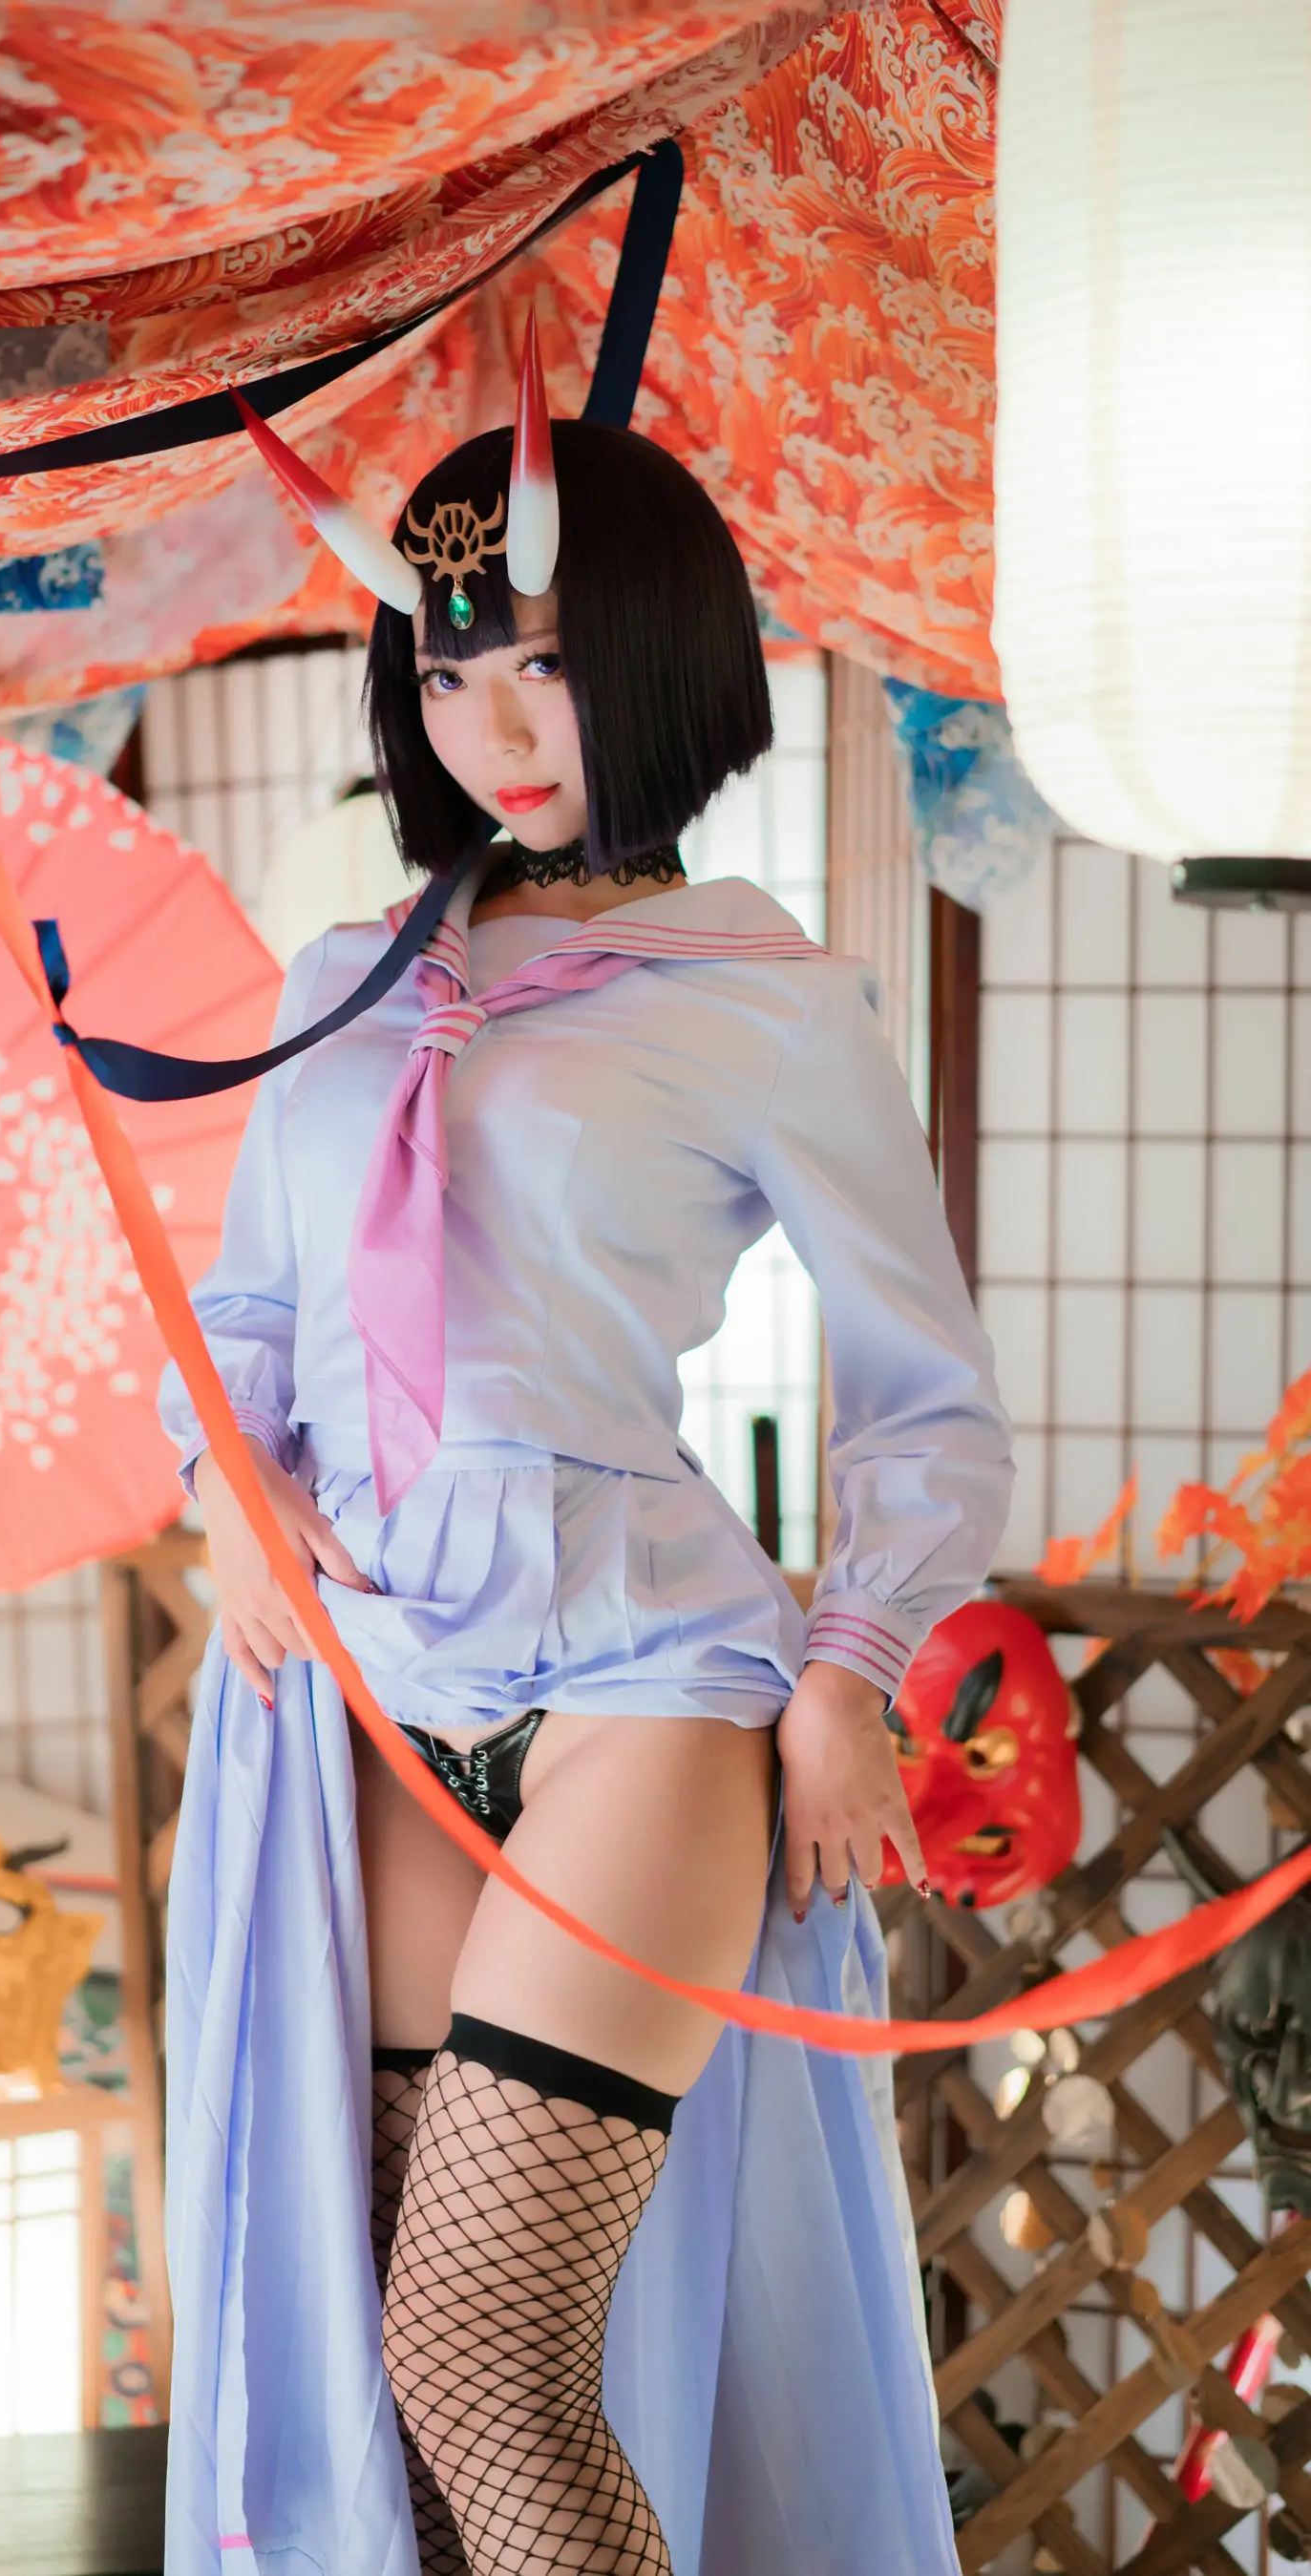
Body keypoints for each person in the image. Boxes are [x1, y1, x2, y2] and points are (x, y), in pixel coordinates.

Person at [159, 360, 1012, 2576]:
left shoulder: (770, 1001)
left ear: (648, 654)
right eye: (448, 674)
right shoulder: (346, 976)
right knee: (387, 2368)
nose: (492, 727)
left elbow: (925, 1391)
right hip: (374, 1694)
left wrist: (851, 1666)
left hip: (639, 1682)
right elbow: (246, 1319)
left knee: (482, 2351)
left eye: (539, 663)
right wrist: (227, 1487)